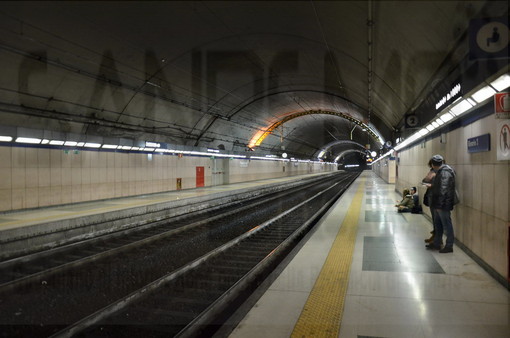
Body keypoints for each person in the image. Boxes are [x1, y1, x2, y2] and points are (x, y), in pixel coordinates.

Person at [426, 154, 456, 253]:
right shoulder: (442, 172)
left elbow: (443, 190)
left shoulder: (445, 173)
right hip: (439, 204)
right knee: (438, 225)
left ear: (434, 165)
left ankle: (449, 246)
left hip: (443, 205)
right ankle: (437, 243)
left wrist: (439, 206)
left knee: (447, 225)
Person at [422, 160, 437, 243]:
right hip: (431, 197)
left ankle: (437, 239)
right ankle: (435, 237)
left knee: (438, 221)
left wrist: (432, 184)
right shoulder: (432, 172)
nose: (431, 167)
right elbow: (424, 180)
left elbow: (441, 185)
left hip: (437, 199)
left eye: (432, 165)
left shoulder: (442, 173)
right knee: (435, 220)